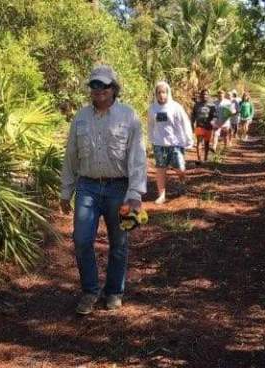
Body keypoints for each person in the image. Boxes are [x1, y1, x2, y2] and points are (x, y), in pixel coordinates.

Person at [60, 64, 147, 315]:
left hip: (119, 188)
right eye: (94, 86)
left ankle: (114, 292)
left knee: (119, 242)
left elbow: (137, 158)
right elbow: (71, 156)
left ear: (113, 89)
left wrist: (135, 194)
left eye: (104, 86)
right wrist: (66, 191)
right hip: (87, 186)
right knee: (82, 239)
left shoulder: (129, 116)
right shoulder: (81, 117)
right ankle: (89, 290)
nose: (98, 90)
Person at [148, 81, 193, 205]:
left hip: (175, 143)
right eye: (159, 92)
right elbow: (151, 125)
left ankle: (182, 182)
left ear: (168, 93)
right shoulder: (152, 108)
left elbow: (185, 122)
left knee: (180, 168)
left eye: (164, 92)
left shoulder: (176, 107)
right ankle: (161, 195)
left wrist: (188, 139)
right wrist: (151, 139)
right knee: (160, 169)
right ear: (156, 94)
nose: (161, 95)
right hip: (159, 144)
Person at [191, 89, 216, 164]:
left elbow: (215, 115)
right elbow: (193, 115)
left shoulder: (212, 105)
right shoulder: (197, 105)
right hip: (199, 126)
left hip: (208, 127)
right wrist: (192, 124)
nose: (204, 96)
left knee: (207, 143)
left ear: (208, 96)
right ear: (200, 95)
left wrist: (213, 122)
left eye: (206, 94)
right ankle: (199, 159)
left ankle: (205, 158)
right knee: (199, 142)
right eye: (203, 94)